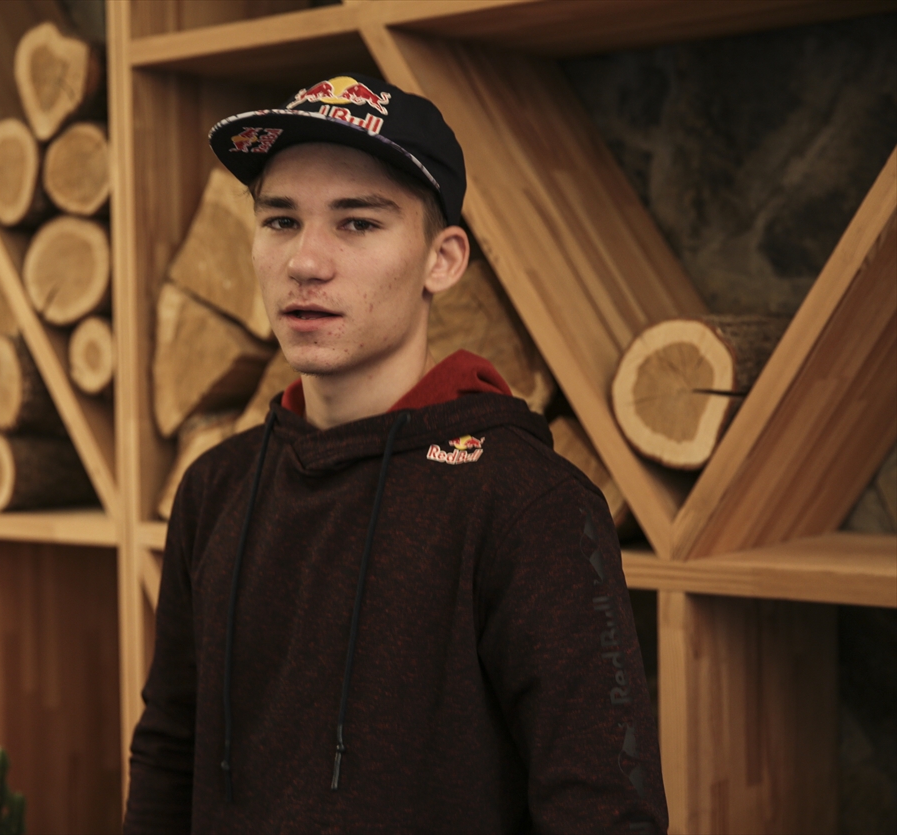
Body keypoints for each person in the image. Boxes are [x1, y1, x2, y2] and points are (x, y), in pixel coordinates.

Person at [124, 74, 667, 834]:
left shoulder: (529, 502)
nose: (305, 261)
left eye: (357, 223)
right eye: (280, 220)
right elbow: (168, 755)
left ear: (443, 260)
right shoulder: (215, 486)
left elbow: (604, 812)